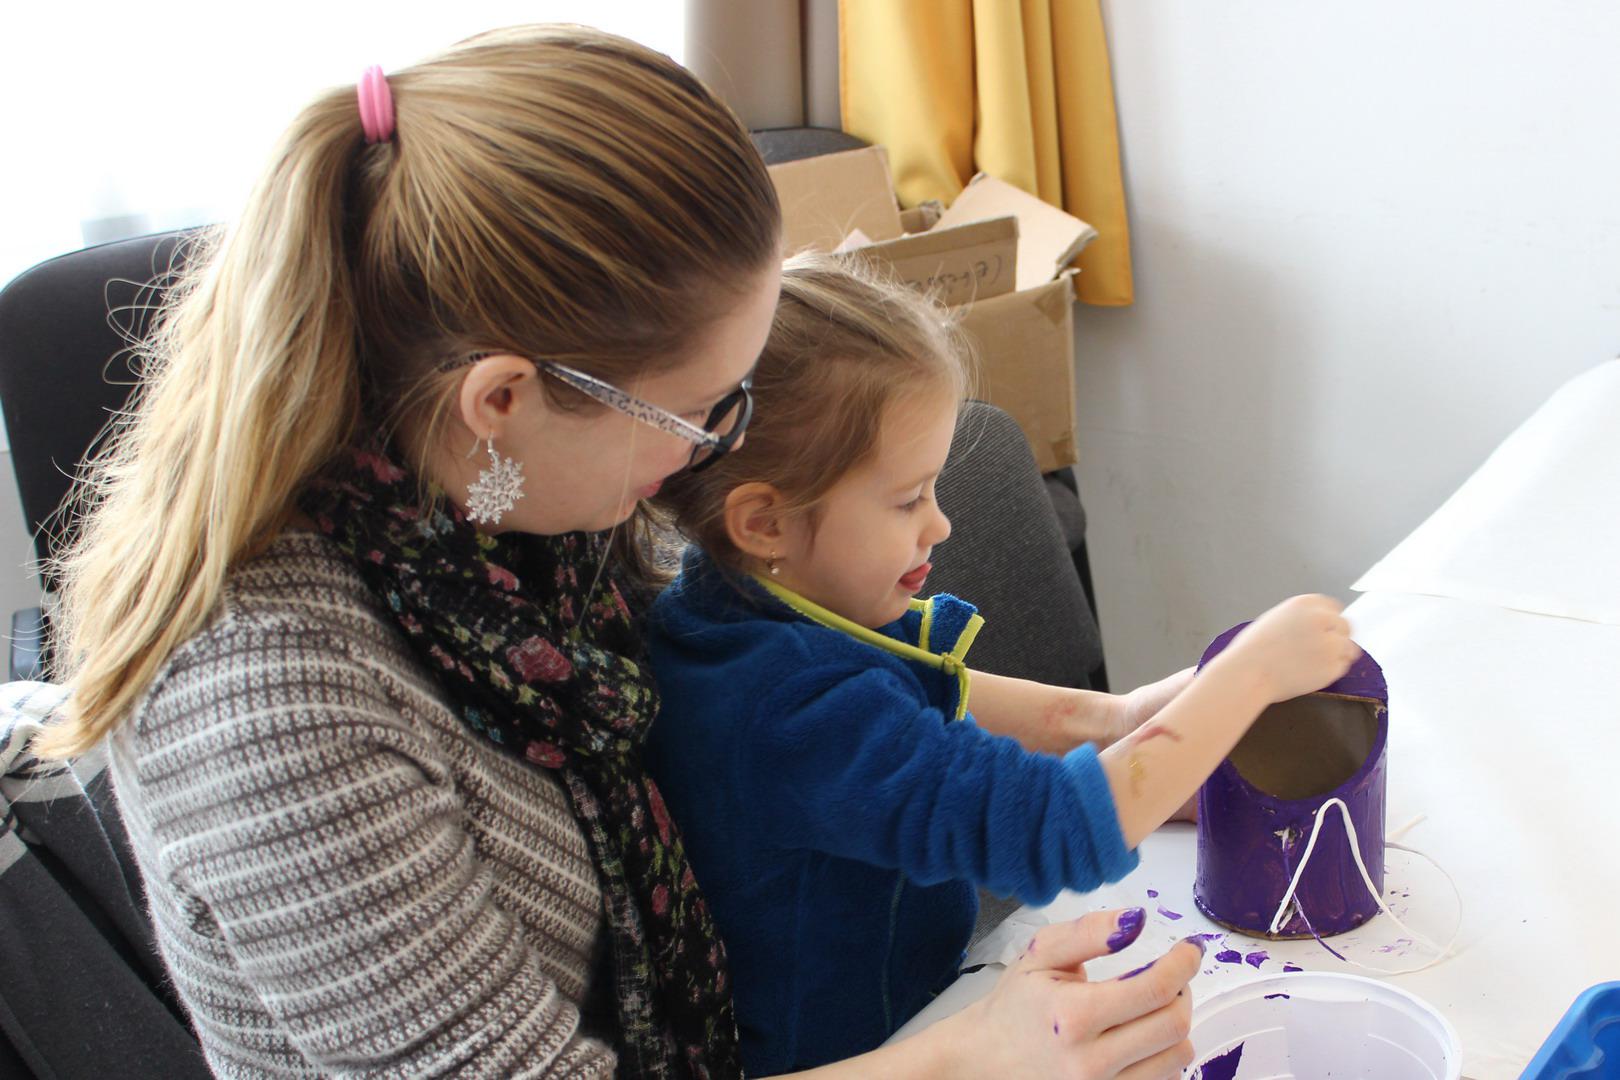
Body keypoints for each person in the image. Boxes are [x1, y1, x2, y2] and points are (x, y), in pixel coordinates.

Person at [33, 24, 1208, 1080]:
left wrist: (1102, 726)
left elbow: (798, 681)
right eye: (698, 411)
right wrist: (970, 1061)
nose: (720, 448)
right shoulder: (272, 707)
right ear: (503, 399)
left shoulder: (520, 516)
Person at [644, 254, 1360, 1073]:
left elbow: (931, 700)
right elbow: (1058, 828)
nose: (939, 525)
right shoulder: (792, 711)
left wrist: (1124, 719)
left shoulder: (732, 607)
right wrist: (1251, 675)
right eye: (907, 499)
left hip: (926, 1011)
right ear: (765, 524)